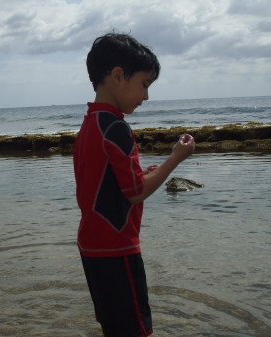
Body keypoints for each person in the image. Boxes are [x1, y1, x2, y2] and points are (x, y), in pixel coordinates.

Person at [73, 33, 195, 337]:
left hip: (91, 245)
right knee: (134, 330)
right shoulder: (116, 127)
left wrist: (146, 172)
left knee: (114, 327)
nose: (146, 96)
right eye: (144, 84)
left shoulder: (90, 124)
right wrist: (174, 159)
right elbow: (136, 192)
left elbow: (107, 183)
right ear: (118, 76)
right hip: (117, 248)